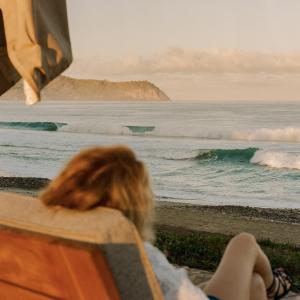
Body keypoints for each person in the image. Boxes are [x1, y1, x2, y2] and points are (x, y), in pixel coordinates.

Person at [39, 145, 292, 300]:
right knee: (243, 242)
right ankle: (277, 287)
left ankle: (268, 288)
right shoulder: (129, 253)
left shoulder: (48, 242)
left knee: (253, 284)